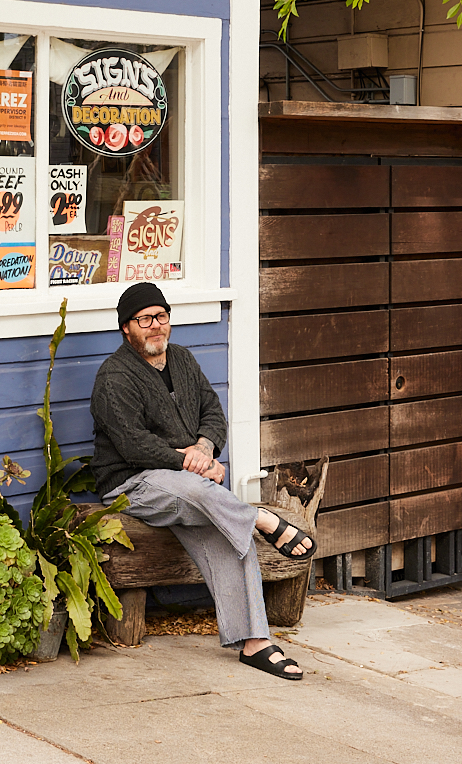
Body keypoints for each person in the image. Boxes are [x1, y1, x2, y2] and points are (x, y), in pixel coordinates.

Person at [90, 281, 315, 680]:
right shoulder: (115, 376)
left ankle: (254, 642)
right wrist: (192, 464)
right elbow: (132, 444)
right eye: (145, 319)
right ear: (127, 328)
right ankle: (263, 520)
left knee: (227, 528)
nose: (155, 325)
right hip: (133, 483)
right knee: (203, 492)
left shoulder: (183, 360)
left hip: (189, 484)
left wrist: (206, 448)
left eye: (161, 316)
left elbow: (213, 413)